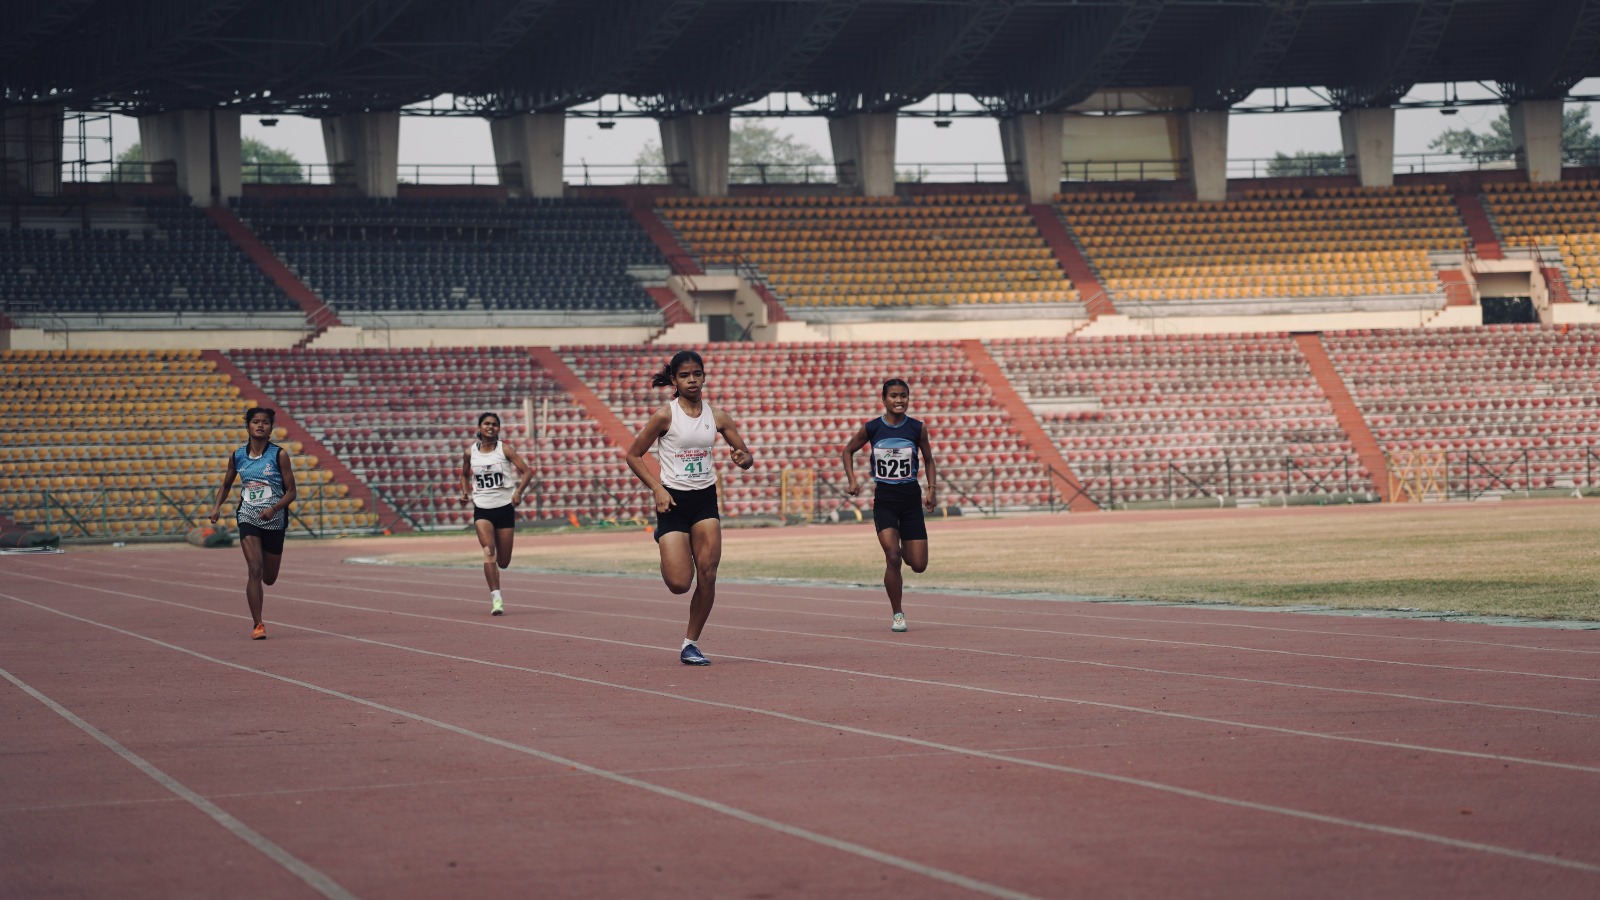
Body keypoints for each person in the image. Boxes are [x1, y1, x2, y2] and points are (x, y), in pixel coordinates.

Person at [624, 350, 754, 665]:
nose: (692, 380)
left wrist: (742, 459)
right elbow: (633, 454)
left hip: (705, 500)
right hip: (672, 501)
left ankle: (690, 643)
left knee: (708, 573)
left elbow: (745, 455)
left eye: (696, 374)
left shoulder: (718, 416)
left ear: (704, 376)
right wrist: (656, 489)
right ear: (674, 380)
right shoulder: (664, 416)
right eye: (684, 375)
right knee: (680, 583)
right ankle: (664, 538)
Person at [841, 378, 937, 632]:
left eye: (903, 396)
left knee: (918, 565)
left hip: (911, 500)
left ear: (908, 398)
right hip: (885, 500)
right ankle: (898, 614)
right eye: (893, 396)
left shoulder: (917, 428)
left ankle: (906, 542)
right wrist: (852, 479)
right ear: (884, 400)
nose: (898, 400)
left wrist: (931, 489)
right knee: (892, 557)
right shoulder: (873, 428)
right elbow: (847, 451)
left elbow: (929, 459)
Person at [209, 407, 297, 640]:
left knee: (269, 577)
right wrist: (217, 507)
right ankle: (258, 624)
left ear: (270, 428)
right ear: (247, 426)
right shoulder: (238, 456)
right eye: (255, 422)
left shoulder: (279, 455)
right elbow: (226, 485)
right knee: (254, 568)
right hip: (248, 515)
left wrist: (274, 508)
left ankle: (259, 615)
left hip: (275, 520)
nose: (260, 425)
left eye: (265, 422)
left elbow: (291, 492)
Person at [458, 412, 533, 616]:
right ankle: (496, 600)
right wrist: (465, 492)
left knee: (504, 562)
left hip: (504, 508)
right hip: (482, 508)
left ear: (498, 429)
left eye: (494, 424)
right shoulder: (470, 452)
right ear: (480, 428)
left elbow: (527, 471)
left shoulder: (504, 449)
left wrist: (518, 492)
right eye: (486, 424)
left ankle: (498, 578)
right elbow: (464, 475)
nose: (490, 427)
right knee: (489, 551)